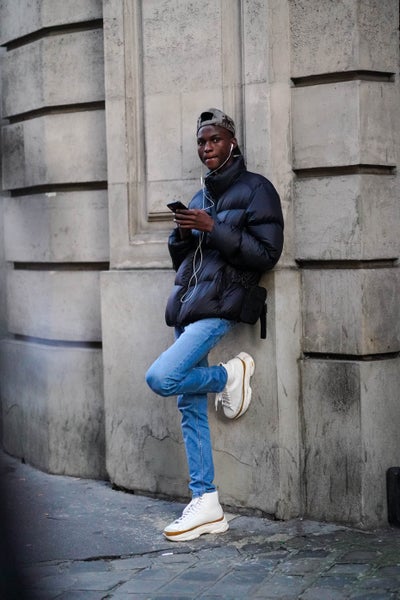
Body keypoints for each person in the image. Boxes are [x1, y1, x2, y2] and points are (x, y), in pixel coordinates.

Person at [146, 108, 284, 542]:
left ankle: (228, 375)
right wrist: (183, 235)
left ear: (232, 142)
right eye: (201, 142)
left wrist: (213, 226)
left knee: (162, 377)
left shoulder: (258, 189)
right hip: (188, 305)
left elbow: (267, 255)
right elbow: (186, 261)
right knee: (189, 405)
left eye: (214, 140)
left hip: (220, 306)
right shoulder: (200, 195)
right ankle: (206, 501)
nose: (206, 148)